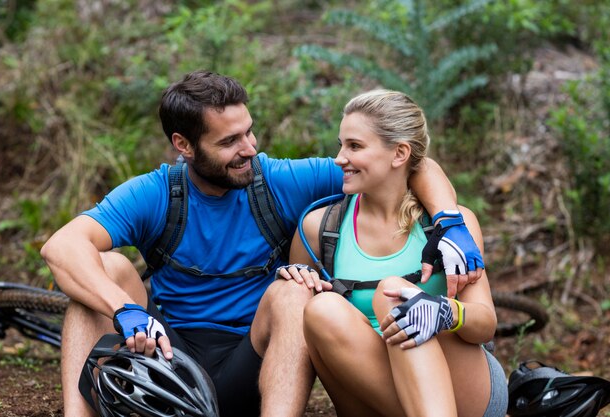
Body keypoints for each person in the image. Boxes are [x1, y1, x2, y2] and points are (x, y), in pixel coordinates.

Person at [40, 71, 483, 417]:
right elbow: (62, 247)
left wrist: (449, 221)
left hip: (250, 364)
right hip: (167, 356)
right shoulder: (155, 194)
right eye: (229, 141)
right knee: (102, 275)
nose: (249, 148)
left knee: (294, 293)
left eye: (249, 132)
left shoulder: (276, 180)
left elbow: (407, 164)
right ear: (184, 145)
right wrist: (124, 308)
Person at [280, 90, 508, 417]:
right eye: (341, 144)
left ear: (399, 153)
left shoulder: (449, 225)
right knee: (321, 309)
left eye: (355, 146)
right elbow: (301, 334)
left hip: (463, 392)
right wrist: (297, 281)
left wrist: (446, 312)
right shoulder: (320, 228)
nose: (339, 158)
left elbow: (485, 325)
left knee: (393, 294)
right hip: (375, 395)